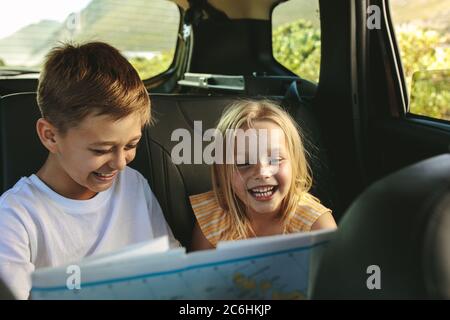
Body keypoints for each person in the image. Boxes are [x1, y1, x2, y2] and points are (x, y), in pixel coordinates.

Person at [0, 42, 177, 299]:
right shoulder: (16, 217)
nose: (120, 163)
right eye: (101, 150)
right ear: (50, 136)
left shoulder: (134, 184)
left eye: (131, 145)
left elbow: (169, 270)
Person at [190, 99, 337, 250]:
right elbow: (197, 272)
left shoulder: (316, 225)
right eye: (242, 163)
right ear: (221, 171)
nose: (262, 173)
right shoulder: (213, 216)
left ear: (295, 163)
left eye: (275, 159)